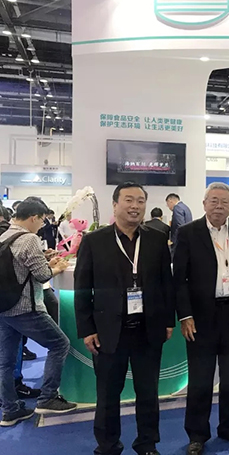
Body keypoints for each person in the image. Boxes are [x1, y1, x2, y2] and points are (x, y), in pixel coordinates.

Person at [74, 182, 176, 455]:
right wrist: (86, 328)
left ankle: (147, 444)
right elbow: (82, 287)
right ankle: (107, 445)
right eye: (129, 200)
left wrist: (168, 321)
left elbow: (166, 284)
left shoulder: (157, 239)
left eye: (140, 201)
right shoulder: (94, 241)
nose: (135, 206)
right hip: (108, 331)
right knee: (108, 394)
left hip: (147, 330)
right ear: (115, 204)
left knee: (148, 393)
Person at [174, 183, 229, 454]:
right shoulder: (188, 232)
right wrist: (185, 315)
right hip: (200, 317)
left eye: (225, 201)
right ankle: (197, 433)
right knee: (201, 377)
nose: (219, 206)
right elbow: (179, 279)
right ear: (204, 203)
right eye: (214, 200)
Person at [0, 199, 76, 427]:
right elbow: (42, 276)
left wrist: (45, 261)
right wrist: (57, 267)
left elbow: (20, 267)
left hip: (4, 307)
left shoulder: (4, 236)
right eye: (42, 220)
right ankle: (48, 397)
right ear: (34, 217)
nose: (42, 225)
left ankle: (10, 410)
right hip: (26, 307)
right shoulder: (29, 239)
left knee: (6, 361)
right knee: (60, 344)